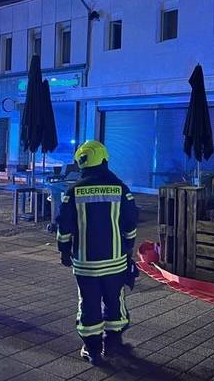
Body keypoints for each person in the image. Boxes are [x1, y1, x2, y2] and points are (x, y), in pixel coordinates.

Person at [56, 140, 139, 365]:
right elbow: (130, 222)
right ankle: (113, 343)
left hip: (85, 263)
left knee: (89, 303)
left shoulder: (73, 191)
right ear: (104, 159)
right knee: (115, 300)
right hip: (115, 261)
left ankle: (92, 349)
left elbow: (64, 226)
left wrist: (64, 251)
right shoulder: (120, 188)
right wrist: (128, 246)